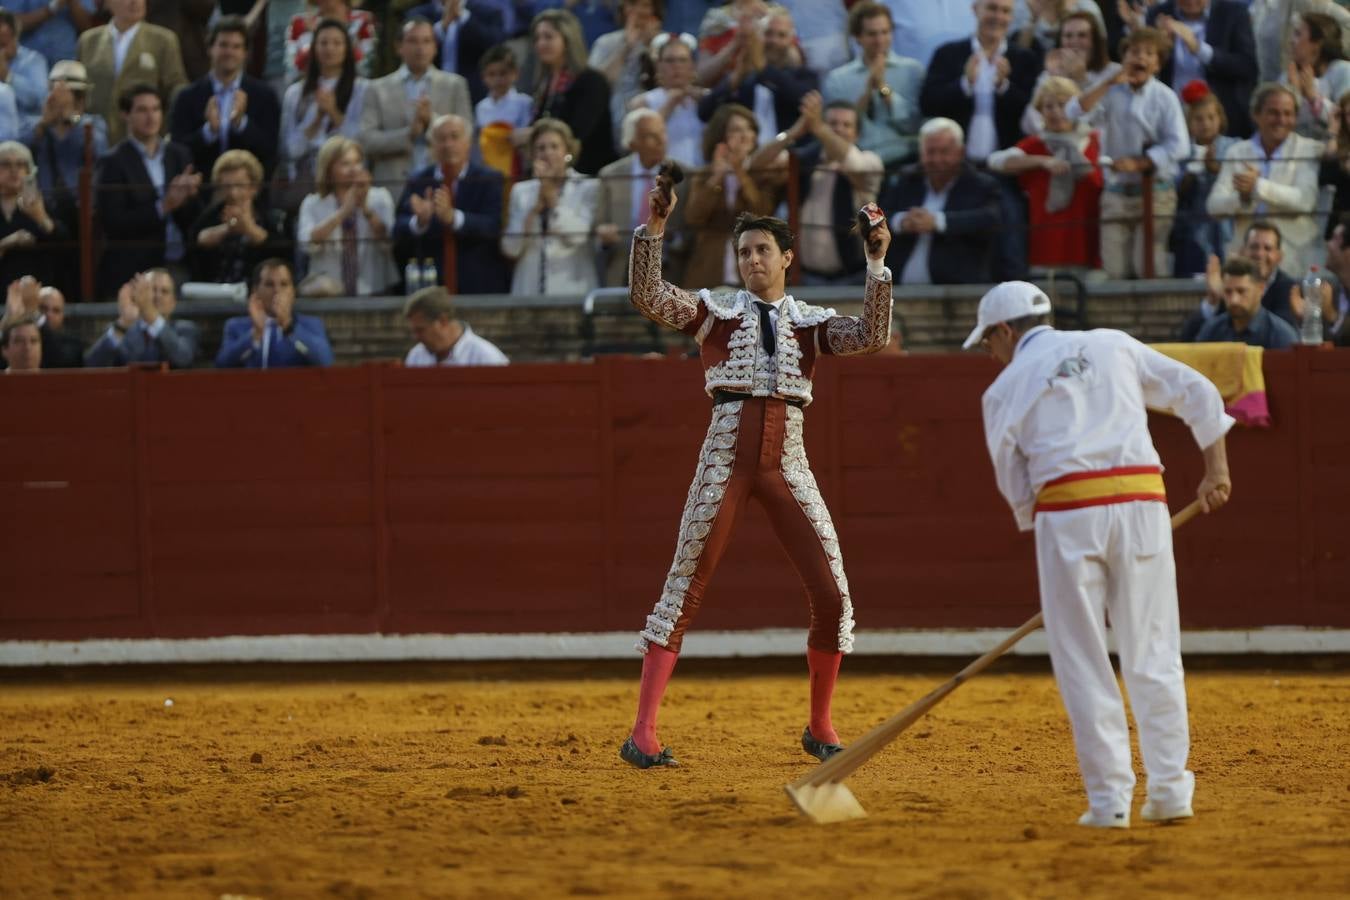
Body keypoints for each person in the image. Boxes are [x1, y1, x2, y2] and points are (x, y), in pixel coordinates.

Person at [618, 173, 894, 770]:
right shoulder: (715, 313)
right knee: (682, 588)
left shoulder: (812, 324)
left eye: (762, 250)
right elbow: (649, 296)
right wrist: (656, 231)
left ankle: (821, 726)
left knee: (832, 594)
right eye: (743, 252)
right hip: (725, 456)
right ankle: (642, 732)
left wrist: (877, 266)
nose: (751, 260)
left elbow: (872, 336)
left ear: (787, 257)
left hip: (787, 459)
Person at [968, 278, 1233, 828]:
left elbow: (1010, 473)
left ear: (1003, 331)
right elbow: (1200, 393)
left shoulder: (1005, 387)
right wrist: (1217, 470)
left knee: (1083, 659)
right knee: (1154, 649)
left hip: (1067, 515)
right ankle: (1170, 791)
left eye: (989, 344)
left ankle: (1110, 801)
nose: (991, 356)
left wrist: (1032, 521)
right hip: (1142, 506)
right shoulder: (1113, 344)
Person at [1069, 27, 1188, 280]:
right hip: (1116, 194)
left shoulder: (1165, 97)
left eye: (1148, 53)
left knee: (1147, 266)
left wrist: (1142, 162)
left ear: (1157, 64)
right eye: (1134, 52)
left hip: (1156, 193)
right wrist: (1107, 82)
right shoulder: (1111, 92)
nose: (1140, 58)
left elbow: (1179, 145)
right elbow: (1073, 113)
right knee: (1114, 270)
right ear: (1123, 58)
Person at [756, 93, 885, 285]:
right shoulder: (805, 159)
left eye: (846, 125)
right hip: (805, 277)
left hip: (853, 278)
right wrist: (792, 133)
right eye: (832, 123)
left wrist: (820, 128)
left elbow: (855, 166)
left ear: (857, 134)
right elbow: (758, 166)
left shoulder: (869, 160)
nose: (838, 129)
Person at [94, 84, 202, 298]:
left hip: (178, 261)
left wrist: (190, 196)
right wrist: (163, 206)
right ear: (126, 114)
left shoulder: (179, 155)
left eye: (156, 109)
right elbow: (113, 221)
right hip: (133, 268)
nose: (150, 117)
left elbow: (194, 216)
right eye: (142, 110)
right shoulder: (112, 162)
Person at [1207, 83, 1323, 278]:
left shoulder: (1308, 149)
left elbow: (1305, 200)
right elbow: (1213, 205)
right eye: (1273, 113)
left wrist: (1258, 187)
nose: (1281, 120)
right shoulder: (1238, 152)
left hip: (1293, 256)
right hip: (1246, 255)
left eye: (1288, 114)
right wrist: (1242, 199)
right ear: (1256, 115)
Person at [989, 76, 1102, 271]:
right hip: (1047, 250)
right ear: (1040, 111)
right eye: (1049, 107)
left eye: (1063, 105)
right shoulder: (1034, 145)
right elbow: (996, 161)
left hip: (1090, 245)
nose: (1057, 112)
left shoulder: (1097, 141)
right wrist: (1043, 162)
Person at [395, 112, 510, 294]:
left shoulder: (490, 179)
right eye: (441, 139)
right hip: (430, 287)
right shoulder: (418, 180)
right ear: (432, 145)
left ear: (468, 143)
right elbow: (398, 227)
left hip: (479, 285)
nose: (448, 145)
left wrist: (453, 218)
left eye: (455, 137)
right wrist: (419, 222)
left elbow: (493, 226)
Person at [881, 117, 1002, 285]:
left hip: (957, 290)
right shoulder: (906, 179)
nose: (937, 159)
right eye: (930, 152)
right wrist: (901, 221)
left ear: (961, 152)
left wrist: (938, 222)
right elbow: (878, 216)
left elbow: (991, 218)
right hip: (895, 290)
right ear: (921, 153)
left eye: (944, 152)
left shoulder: (980, 185)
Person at [360, 18, 471, 193]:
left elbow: (467, 132)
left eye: (427, 41)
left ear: (435, 47)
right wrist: (408, 134)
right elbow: (366, 141)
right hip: (392, 187)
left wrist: (431, 121)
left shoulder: (455, 85)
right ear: (399, 47)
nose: (420, 48)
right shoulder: (376, 88)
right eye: (413, 41)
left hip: (442, 185)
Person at [1120, 0, 1258, 138]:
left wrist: (1199, 48)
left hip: (1220, 121)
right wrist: (1161, 46)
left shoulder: (1233, 12)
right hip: (1172, 116)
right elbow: (1146, 69)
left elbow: (1247, 67)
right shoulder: (1159, 14)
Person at [681, 103, 782, 289]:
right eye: (736, 130)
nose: (745, 135)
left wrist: (740, 173)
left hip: (754, 270)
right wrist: (716, 178)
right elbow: (693, 217)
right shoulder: (704, 175)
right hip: (709, 268)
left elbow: (762, 215)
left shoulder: (763, 175)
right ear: (721, 137)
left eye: (749, 129)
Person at [169, 16, 283, 181]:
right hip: (201, 191)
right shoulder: (187, 96)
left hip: (249, 192)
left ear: (245, 53)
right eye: (223, 45)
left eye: (236, 47)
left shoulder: (264, 96)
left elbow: (270, 150)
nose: (229, 52)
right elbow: (177, 151)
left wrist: (241, 124)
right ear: (210, 49)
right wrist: (209, 132)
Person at [696, 6, 820, 147]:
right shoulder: (744, 80)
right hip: (746, 160)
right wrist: (736, 77)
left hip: (792, 161)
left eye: (781, 35)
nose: (774, 41)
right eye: (768, 34)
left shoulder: (806, 76)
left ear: (791, 40)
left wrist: (762, 67)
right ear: (758, 38)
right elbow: (704, 112)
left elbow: (799, 98)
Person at [501, 117, 597, 295]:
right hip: (528, 289)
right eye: (540, 148)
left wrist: (552, 199)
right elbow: (511, 248)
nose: (547, 153)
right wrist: (533, 211)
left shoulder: (588, 186)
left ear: (567, 152)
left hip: (573, 288)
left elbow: (579, 236)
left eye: (554, 146)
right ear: (532, 154)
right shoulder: (521, 191)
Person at [821, 2, 924, 168]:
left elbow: (913, 125)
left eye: (885, 32)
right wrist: (867, 92)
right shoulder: (838, 79)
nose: (879, 40)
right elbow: (837, 131)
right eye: (872, 34)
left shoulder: (912, 71)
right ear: (857, 37)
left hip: (903, 162)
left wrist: (884, 89)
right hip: (856, 165)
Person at [76, 0, 188, 146]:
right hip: (97, 141)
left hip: (145, 140)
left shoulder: (163, 40)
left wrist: (164, 129)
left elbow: (177, 88)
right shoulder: (88, 41)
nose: (135, 2)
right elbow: (78, 93)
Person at [297, 135, 396, 296]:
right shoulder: (312, 203)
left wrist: (365, 208)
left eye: (357, 162)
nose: (354, 169)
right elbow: (306, 243)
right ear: (328, 169)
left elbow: (388, 241)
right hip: (328, 292)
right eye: (345, 164)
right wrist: (343, 212)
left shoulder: (380, 197)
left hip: (374, 288)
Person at [280, 18, 369, 186]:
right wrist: (317, 118)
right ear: (314, 49)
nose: (330, 48)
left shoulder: (362, 89)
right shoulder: (295, 93)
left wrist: (334, 113)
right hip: (306, 179)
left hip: (350, 179)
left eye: (337, 43)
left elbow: (362, 143)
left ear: (347, 48)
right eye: (323, 43)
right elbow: (289, 150)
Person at [594, 108, 677, 287]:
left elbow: (687, 233)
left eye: (662, 132)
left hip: (667, 274)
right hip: (621, 270)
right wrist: (604, 235)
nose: (661, 140)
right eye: (651, 136)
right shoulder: (611, 175)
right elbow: (597, 227)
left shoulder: (683, 176)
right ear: (632, 143)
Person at [528, 8, 617, 175]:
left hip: (588, 174)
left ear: (568, 40)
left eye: (548, 37)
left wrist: (530, 134)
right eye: (537, 38)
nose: (541, 43)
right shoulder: (543, 84)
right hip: (551, 174)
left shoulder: (591, 81)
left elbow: (578, 132)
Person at [1180, 221, 1299, 339]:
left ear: (1279, 256)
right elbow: (1189, 341)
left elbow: (1284, 336)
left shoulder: (1290, 290)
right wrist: (1212, 301)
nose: (1259, 253)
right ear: (1243, 251)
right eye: (1254, 247)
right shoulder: (1228, 285)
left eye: (1267, 248)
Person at [215, 258, 335, 368]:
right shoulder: (236, 326)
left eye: (284, 284)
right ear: (255, 290)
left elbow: (325, 362)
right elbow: (222, 365)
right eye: (269, 284)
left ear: (293, 292)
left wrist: (288, 326)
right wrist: (255, 334)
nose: (277, 290)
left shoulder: (311, 325)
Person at [1171, 83, 1238, 277]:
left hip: (1225, 227)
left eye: (1211, 117)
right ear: (1189, 123)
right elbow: (1176, 190)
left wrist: (1215, 168)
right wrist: (1190, 175)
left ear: (1220, 118)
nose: (1206, 124)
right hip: (1193, 227)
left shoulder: (1233, 146)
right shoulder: (1183, 150)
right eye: (1198, 119)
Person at [190, 149, 286, 285]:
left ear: (254, 188)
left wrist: (248, 228)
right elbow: (196, 240)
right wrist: (227, 229)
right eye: (226, 186)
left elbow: (281, 252)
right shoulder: (209, 217)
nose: (233, 193)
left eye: (240, 185)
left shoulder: (271, 218)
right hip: (214, 292)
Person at [85, 269, 199, 368]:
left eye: (164, 291)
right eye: (152, 290)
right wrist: (124, 323)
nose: (157, 296)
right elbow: (92, 365)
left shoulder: (186, 330)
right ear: (137, 295)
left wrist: (151, 315)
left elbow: (183, 359)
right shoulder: (121, 330)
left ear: (173, 303)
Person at [627, 32, 706, 168]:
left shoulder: (707, 98)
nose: (676, 66)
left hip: (701, 176)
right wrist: (669, 104)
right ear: (658, 66)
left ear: (692, 65)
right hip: (660, 177)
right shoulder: (642, 102)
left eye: (682, 60)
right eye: (670, 60)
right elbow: (634, 143)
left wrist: (702, 99)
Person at [588, 0, 664, 137]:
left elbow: (670, 82)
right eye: (633, 4)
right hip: (612, 125)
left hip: (657, 123)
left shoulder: (665, 43)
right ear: (623, 8)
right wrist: (627, 48)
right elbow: (596, 88)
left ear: (654, 9)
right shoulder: (605, 43)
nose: (639, 11)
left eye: (645, 5)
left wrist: (651, 47)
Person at [0, 140, 65, 290]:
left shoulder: (42, 204)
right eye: (6, 164)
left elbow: (64, 245)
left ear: (30, 171)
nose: (14, 170)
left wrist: (41, 217)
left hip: (36, 293)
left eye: (21, 164)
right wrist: (6, 243)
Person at [1195, 254, 1299, 347]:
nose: (1234, 300)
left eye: (1241, 291)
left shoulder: (1279, 335)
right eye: (1228, 292)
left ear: (1261, 289)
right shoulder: (1212, 330)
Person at [1279, 13, 1350, 141]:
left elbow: (1345, 120)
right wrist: (1294, 94)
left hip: (1334, 153)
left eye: (1297, 34)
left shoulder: (1344, 71)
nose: (1291, 41)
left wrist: (1313, 99)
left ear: (1317, 44)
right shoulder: (1288, 76)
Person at [403, 285, 508, 366]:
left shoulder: (486, 357)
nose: (416, 337)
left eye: (421, 330)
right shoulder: (416, 355)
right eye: (414, 331)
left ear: (443, 321)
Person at [285, 0, 377, 81]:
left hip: (353, 88)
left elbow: (368, 67)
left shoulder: (363, 20)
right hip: (312, 88)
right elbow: (292, 71)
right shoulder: (300, 23)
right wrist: (314, 37)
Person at [0, 10, 50, 135]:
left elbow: (39, 100)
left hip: (25, 131)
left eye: (3, 42)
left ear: (15, 35)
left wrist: (8, 76)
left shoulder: (34, 61)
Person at [7, 0, 99, 69]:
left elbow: (86, 26)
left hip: (65, 61)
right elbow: (10, 26)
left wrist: (72, 2)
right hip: (27, 64)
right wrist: (51, 9)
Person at [34, 284, 82, 368]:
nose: (49, 315)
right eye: (43, 308)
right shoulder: (19, 341)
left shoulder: (73, 346)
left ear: (63, 316)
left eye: (56, 310)